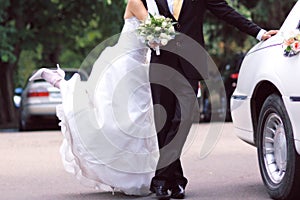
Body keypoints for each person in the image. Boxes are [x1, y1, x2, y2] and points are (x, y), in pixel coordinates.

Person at [148, 0, 278, 199]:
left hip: (190, 64)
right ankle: (175, 181)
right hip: (160, 63)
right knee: (163, 125)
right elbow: (137, 20)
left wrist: (259, 33)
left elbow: (225, 12)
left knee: (181, 121)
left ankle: (160, 179)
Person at [29, 0, 161, 196]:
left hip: (139, 68)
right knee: (119, 122)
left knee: (139, 121)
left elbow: (152, 40)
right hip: (124, 65)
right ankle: (60, 83)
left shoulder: (154, 5)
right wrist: (166, 33)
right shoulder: (136, 2)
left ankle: (139, 179)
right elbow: (152, 29)